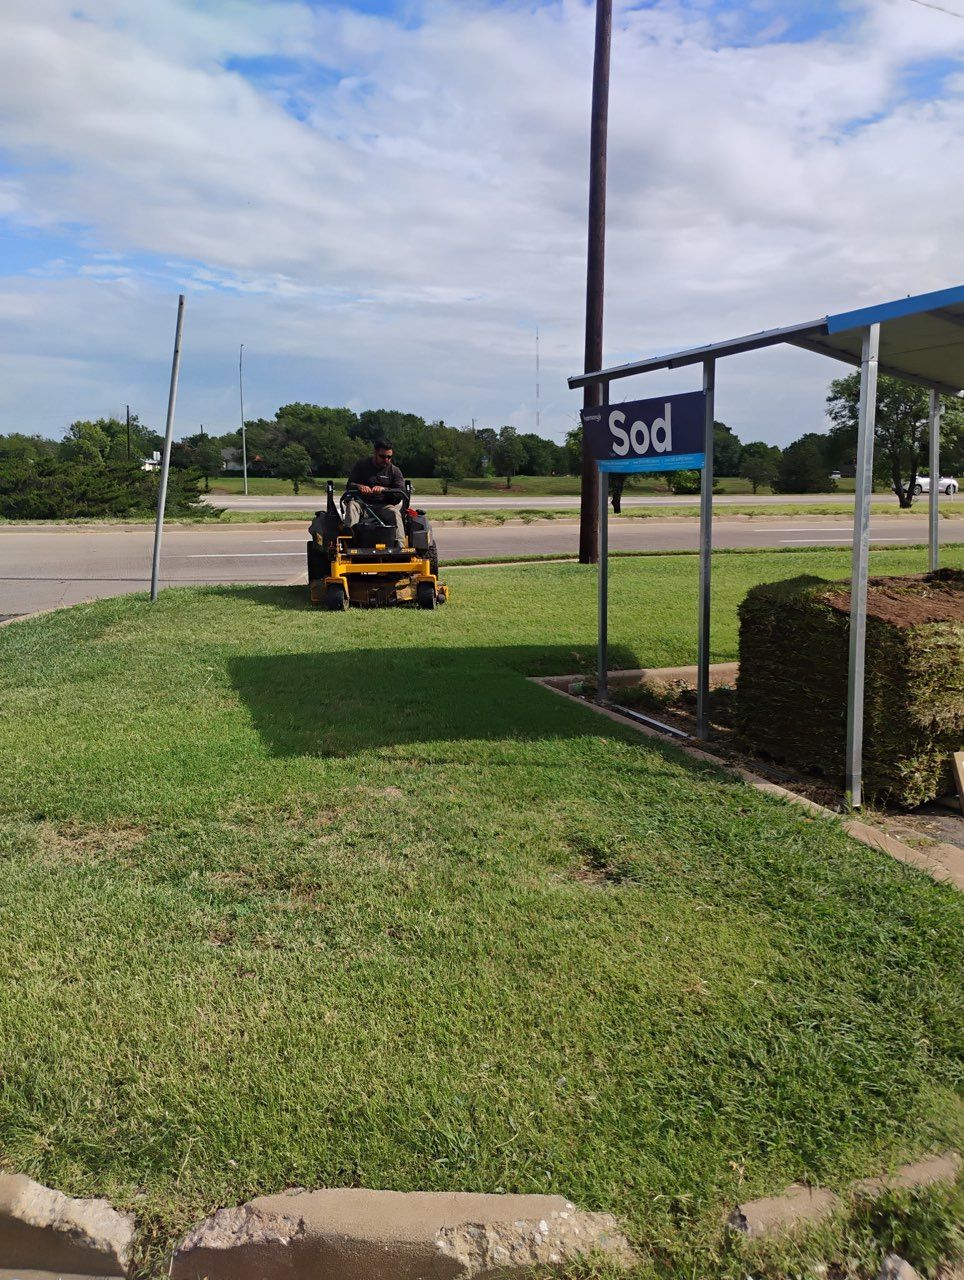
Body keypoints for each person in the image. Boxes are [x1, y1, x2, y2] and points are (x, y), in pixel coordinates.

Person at [345, 440, 407, 546]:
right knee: (352, 506)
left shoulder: (394, 471)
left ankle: (400, 545)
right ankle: (350, 543)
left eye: (389, 457)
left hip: (384, 506)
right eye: (382, 456)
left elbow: (400, 492)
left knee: (395, 513)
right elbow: (350, 485)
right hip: (362, 504)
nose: (386, 460)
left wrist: (384, 490)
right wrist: (360, 487)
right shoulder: (361, 465)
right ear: (375, 453)